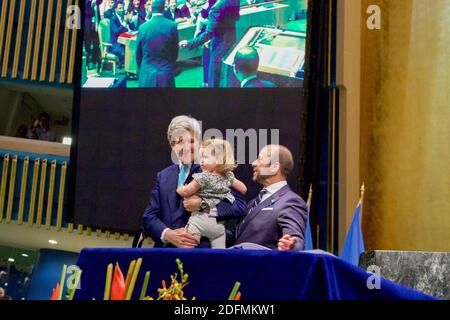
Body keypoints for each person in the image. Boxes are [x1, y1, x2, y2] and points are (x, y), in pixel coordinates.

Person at [142, 115, 247, 248]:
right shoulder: (163, 176)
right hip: (166, 254)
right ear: (172, 145)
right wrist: (167, 234)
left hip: (202, 253)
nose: (186, 147)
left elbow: (240, 207)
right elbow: (149, 216)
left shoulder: (216, 170)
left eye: (191, 141)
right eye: (180, 141)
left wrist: (203, 206)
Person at [233, 145, 308, 251]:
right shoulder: (252, 203)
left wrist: (291, 246)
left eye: (260, 159)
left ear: (274, 167)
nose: (253, 163)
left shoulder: (291, 201)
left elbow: (294, 238)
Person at [177, 138, 247, 248]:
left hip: (199, 223)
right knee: (219, 254)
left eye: (205, 157)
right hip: (218, 228)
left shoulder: (203, 176)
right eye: (201, 157)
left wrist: (180, 188)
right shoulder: (228, 176)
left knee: (188, 249)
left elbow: (186, 192)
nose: (201, 161)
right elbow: (243, 189)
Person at [179, 0, 240, 87]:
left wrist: (189, 43)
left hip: (219, 48)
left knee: (214, 81)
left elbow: (209, 33)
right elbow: (237, 17)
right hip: (232, 43)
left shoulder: (216, 8)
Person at [136, 0, 179, 87]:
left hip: (146, 73)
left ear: (151, 9)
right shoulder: (172, 26)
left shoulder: (142, 28)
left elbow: (138, 54)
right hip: (165, 72)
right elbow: (175, 51)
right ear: (163, 8)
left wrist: (144, 68)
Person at [109, 0, 132, 65]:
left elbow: (133, 28)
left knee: (134, 49)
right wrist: (124, 22)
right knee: (126, 51)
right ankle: (127, 69)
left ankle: (131, 69)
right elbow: (116, 32)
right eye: (120, 8)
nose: (122, 10)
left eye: (123, 8)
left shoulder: (124, 16)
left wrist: (130, 20)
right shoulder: (113, 19)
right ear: (116, 9)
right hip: (115, 44)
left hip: (124, 42)